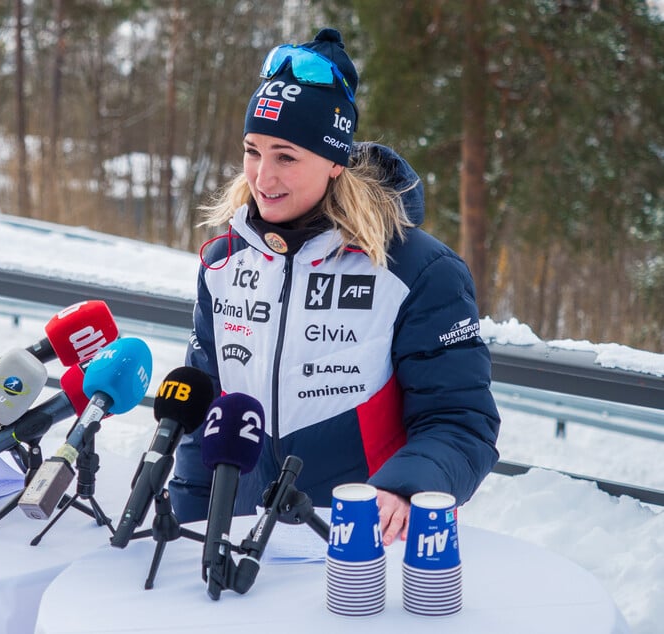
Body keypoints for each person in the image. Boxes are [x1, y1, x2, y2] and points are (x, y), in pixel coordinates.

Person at [169, 27, 501, 546]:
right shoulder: (223, 261)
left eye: (286, 155)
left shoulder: (417, 270)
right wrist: (184, 518)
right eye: (252, 150)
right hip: (233, 542)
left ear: (334, 162)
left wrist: (406, 489)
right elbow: (205, 416)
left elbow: (461, 422)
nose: (262, 177)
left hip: (363, 541)